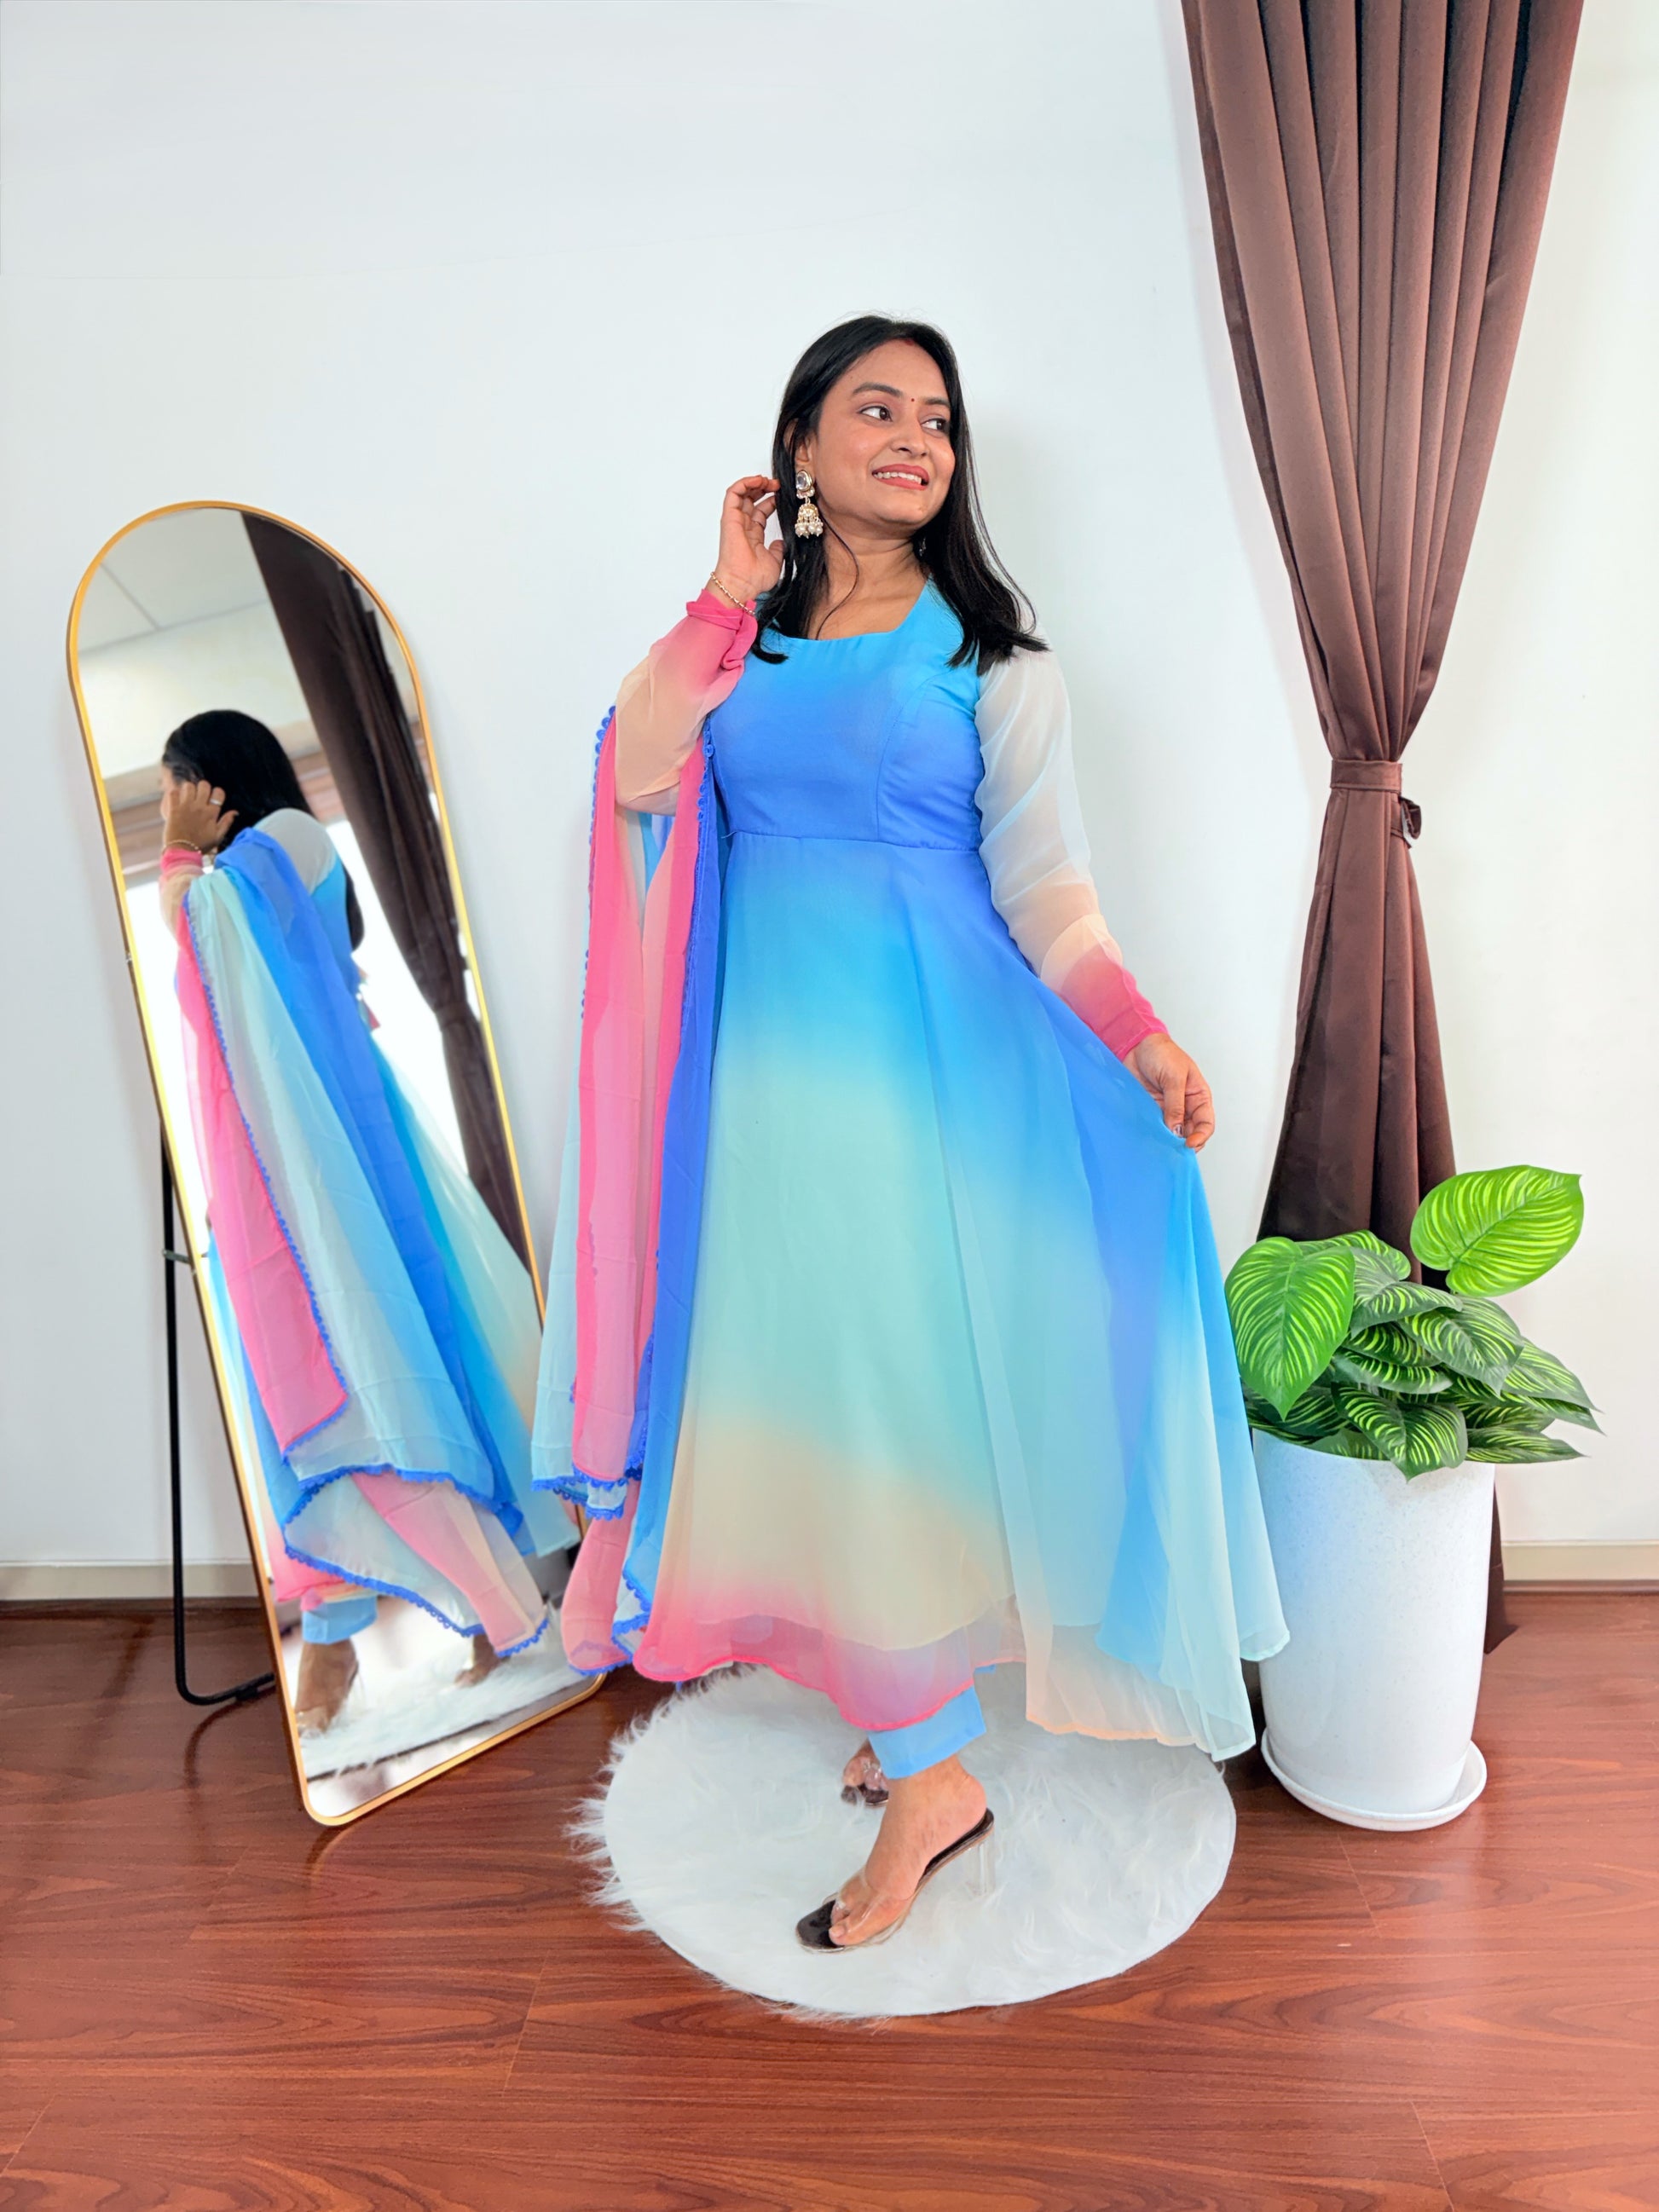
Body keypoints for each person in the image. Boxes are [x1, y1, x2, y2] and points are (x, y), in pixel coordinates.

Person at [534, 317, 1286, 1950]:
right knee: (811, 1403)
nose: (913, 439)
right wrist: (722, 591)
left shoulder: (995, 663)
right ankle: (914, 1713)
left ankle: (935, 1774)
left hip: (926, 1090)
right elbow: (639, 775)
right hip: (758, 1097)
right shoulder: (738, 648)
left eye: (936, 418)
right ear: (800, 444)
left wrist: (1142, 1038)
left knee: (879, 1403)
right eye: (874, 408)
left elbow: (1048, 896)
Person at [159, 711, 575, 1733]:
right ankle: (337, 1634)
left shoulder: (287, 842)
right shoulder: (240, 871)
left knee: (384, 1377)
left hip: (333, 1164)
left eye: (176, 785)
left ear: (219, 782)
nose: (171, 806)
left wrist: (174, 851)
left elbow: (204, 934)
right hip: (273, 1179)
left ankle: (493, 1611)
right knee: (309, 1402)